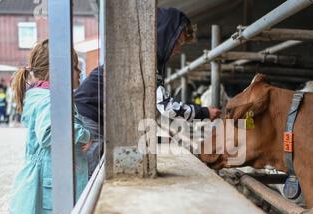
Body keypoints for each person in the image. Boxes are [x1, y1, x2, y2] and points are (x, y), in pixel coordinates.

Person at [74, 7, 221, 177]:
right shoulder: (146, 60)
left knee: (98, 170)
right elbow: (166, 107)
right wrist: (204, 112)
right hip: (89, 115)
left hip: (94, 114)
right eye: (178, 42)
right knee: (90, 175)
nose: (179, 49)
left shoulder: (146, 57)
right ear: (165, 35)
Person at [8, 39, 91, 214]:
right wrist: (83, 134)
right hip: (55, 186)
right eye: (76, 67)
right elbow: (49, 133)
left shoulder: (44, 96)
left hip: (54, 182)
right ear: (60, 70)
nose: (80, 72)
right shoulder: (48, 99)